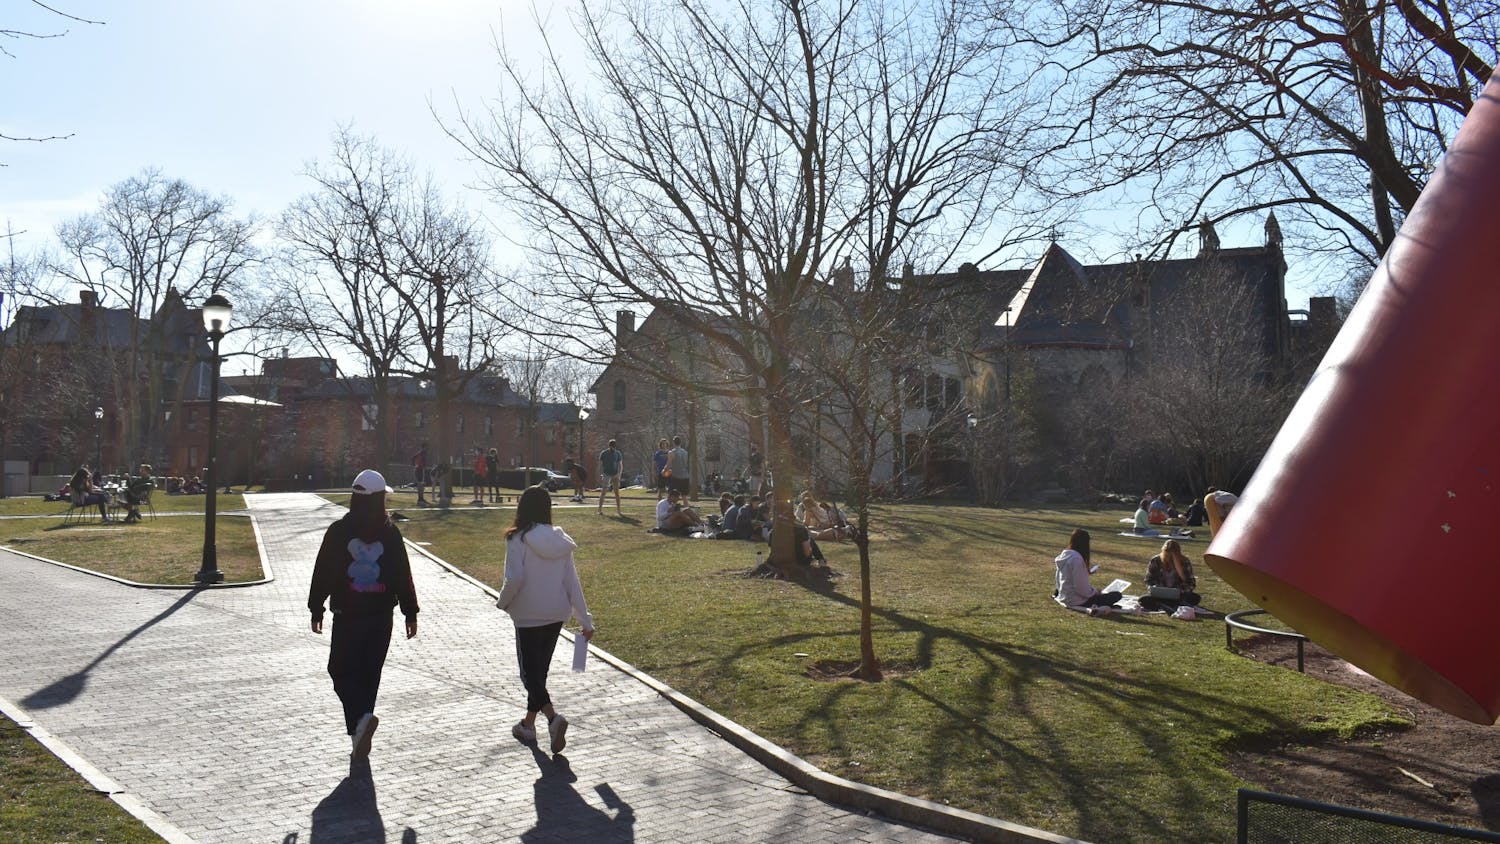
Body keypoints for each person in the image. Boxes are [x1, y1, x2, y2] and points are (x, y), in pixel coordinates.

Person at [308, 469, 420, 759]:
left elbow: (323, 571)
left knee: (340, 670)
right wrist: (410, 612)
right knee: (370, 674)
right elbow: (402, 575)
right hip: (381, 615)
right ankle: (361, 726)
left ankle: (359, 723)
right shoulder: (390, 532)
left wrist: (316, 606)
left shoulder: (338, 532)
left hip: (348, 614)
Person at [495, 485, 594, 753]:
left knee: (530, 675)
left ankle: (552, 718)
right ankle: (528, 725)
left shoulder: (517, 538)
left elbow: (514, 578)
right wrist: (585, 620)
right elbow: (572, 582)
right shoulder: (560, 540)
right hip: (555, 613)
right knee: (539, 674)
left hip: (527, 613)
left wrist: (502, 602)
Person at [1054, 528, 1120, 613]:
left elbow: (1060, 578)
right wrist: (1095, 592)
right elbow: (1081, 589)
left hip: (1065, 596)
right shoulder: (1077, 559)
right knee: (1116, 595)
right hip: (1077, 600)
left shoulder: (1064, 556)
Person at [1140, 538, 1202, 612]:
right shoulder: (1156, 560)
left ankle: (1165, 604)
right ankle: (1171, 604)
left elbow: (1191, 582)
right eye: (1167, 555)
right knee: (1143, 600)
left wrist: (1181, 590)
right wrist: (1153, 588)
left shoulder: (1185, 561)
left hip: (1179, 595)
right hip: (1159, 594)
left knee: (1195, 598)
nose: (1169, 558)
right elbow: (1148, 579)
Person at [596, 438, 624, 515]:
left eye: (614, 446)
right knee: (603, 492)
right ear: (609, 446)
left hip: (615, 474)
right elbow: (600, 465)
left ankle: (619, 510)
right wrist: (599, 474)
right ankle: (600, 510)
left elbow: (620, 465)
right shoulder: (604, 453)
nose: (612, 447)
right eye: (611, 446)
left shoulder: (618, 453)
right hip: (606, 474)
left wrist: (619, 474)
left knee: (617, 493)